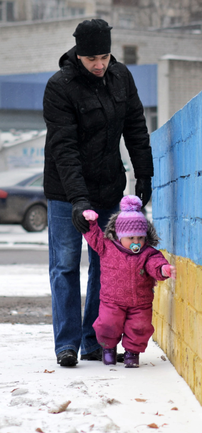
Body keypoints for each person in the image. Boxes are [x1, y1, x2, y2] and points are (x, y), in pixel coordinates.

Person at [43, 19, 154, 367]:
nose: (99, 64)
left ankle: (94, 342)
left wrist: (144, 175)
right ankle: (67, 344)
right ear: (78, 54)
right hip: (65, 192)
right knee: (65, 265)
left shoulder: (121, 78)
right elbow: (64, 148)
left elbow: (136, 127)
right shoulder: (60, 86)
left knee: (106, 266)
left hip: (108, 187)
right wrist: (78, 199)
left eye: (104, 57)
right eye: (92, 58)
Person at [81, 195, 176, 368]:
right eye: (131, 238)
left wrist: (164, 270)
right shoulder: (107, 247)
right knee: (108, 324)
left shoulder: (147, 253)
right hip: (112, 300)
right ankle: (108, 349)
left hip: (140, 302)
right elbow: (94, 237)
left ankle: (132, 353)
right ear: (119, 236)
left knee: (139, 327)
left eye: (140, 238)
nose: (136, 242)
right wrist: (91, 223)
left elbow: (155, 264)